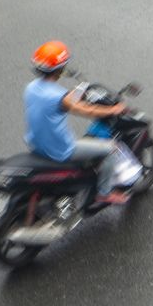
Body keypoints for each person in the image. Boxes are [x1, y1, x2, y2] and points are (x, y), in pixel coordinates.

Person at [25, 41, 132, 205]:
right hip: (60, 150)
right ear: (60, 69)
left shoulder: (31, 88)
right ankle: (104, 192)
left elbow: (56, 104)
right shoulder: (59, 96)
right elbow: (87, 111)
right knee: (112, 149)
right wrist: (113, 110)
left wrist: (74, 94)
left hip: (35, 144)